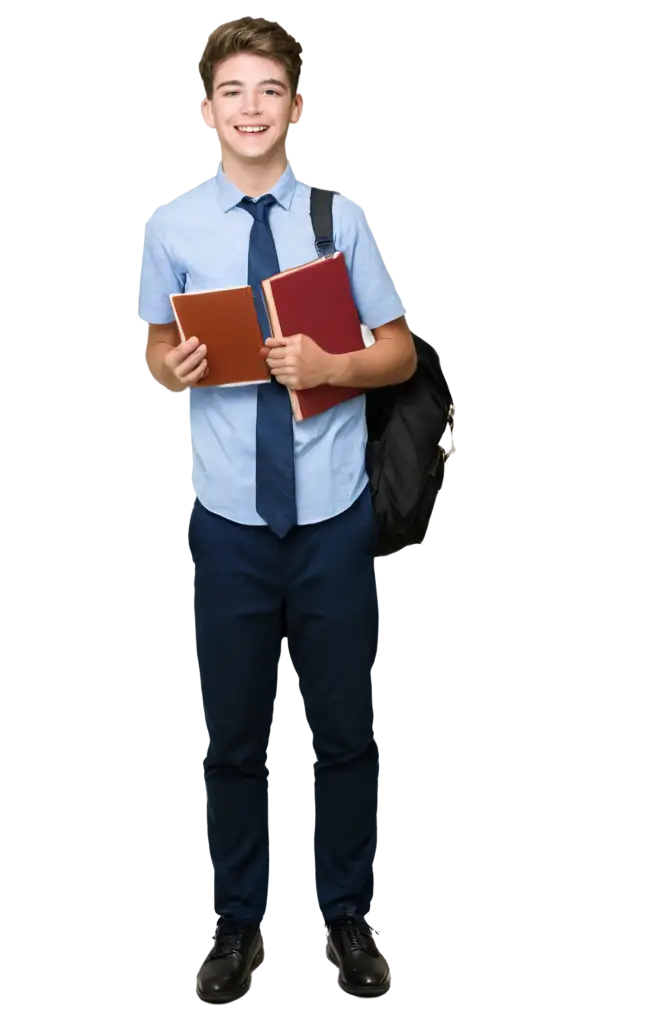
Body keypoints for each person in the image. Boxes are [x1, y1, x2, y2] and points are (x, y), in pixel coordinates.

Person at [137, 14, 416, 1003]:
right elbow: (153, 353)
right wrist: (180, 365)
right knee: (235, 735)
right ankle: (237, 922)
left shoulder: (340, 218)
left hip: (333, 518)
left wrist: (336, 364)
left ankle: (346, 915)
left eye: (268, 91)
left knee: (345, 730)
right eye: (232, 93)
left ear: (296, 106)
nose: (250, 109)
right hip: (227, 524)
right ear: (203, 111)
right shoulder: (169, 225)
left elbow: (401, 350)